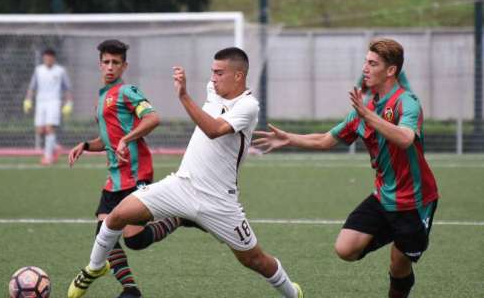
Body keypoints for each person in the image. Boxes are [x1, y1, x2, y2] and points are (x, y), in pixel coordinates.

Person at [67, 47, 303, 298]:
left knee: (255, 260)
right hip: (181, 185)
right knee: (116, 216)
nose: (213, 78)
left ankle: (293, 293)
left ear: (238, 76)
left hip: (218, 201)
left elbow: (213, 129)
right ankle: (96, 267)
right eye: (212, 72)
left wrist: (183, 96)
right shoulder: (213, 91)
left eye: (219, 73)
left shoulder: (248, 106)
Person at [254, 38, 438, 298]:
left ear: (391, 70)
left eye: (372, 63)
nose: (365, 67)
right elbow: (326, 139)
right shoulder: (363, 110)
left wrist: (368, 116)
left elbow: (406, 138)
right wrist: (289, 139)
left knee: (399, 265)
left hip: (415, 200)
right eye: (365, 61)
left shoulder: (406, 102)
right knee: (345, 248)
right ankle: (396, 237)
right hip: (384, 195)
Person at [67, 39, 191, 298]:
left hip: (136, 176)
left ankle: (180, 217)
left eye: (115, 62)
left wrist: (127, 139)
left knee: (134, 240)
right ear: (100, 65)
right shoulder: (101, 98)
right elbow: (108, 139)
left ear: (124, 66)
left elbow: (153, 118)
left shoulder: (128, 91)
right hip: (114, 180)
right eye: (106, 62)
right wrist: (86, 145)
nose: (110, 67)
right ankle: (130, 290)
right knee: (104, 233)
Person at [23, 48, 73, 165]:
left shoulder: (60, 71)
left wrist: (69, 103)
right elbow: (32, 87)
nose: (48, 60)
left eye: (50, 57)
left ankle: (48, 157)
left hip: (54, 102)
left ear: (53, 58)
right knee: (40, 130)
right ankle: (55, 147)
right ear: (43, 58)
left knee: (50, 128)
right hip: (41, 102)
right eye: (46, 57)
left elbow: (67, 88)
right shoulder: (38, 70)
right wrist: (28, 100)